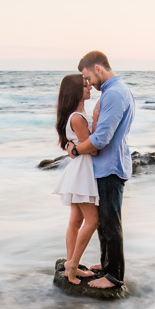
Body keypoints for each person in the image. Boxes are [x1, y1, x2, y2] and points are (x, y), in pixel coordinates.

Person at [64, 51, 135, 289]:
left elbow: (101, 139)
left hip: (110, 166)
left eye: (88, 77)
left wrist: (75, 150)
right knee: (103, 221)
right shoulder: (113, 92)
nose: (89, 84)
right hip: (106, 165)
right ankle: (106, 264)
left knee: (110, 223)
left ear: (98, 68)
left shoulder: (114, 93)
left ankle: (114, 276)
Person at [52, 74, 100, 284]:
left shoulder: (77, 115)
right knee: (93, 221)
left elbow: (74, 147)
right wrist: (97, 120)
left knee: (76, 221)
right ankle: (72, 266)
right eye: (84, 85)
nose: (89, 88)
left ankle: (72, 262)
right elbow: (93, 148)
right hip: (84, 172)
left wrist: (74, 149)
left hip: (79, 170)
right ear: (74, 91)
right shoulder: (78, 118)